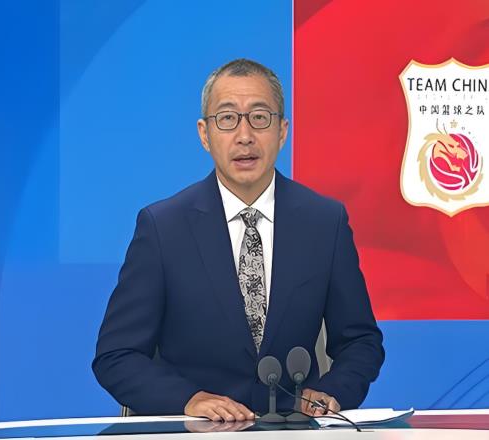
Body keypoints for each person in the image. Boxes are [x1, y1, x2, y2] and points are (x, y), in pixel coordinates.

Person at [92, 58, 384, 422]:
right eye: (227, 119)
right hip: (197, 431)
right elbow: (116, 355)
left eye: (259, 118)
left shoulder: (325, 222)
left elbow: (360, 342)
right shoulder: (163, 228)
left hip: (292, 431)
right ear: (204, 134)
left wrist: (333, 392)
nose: (245, 135)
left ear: (282, 131)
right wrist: (188, 400)